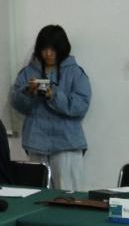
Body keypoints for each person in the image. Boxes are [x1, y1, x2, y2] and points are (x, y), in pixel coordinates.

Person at [10, 25, 91, 190]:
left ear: (62, 48)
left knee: (69, 196)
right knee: (37, 195)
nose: (48, 53)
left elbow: (80, 106)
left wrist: (53, 95)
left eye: (53, 49)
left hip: (67, 144)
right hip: (36, 142)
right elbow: (17, 103)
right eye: (44, 49)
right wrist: (28, 92)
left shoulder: (75, 72)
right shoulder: (28, 72)